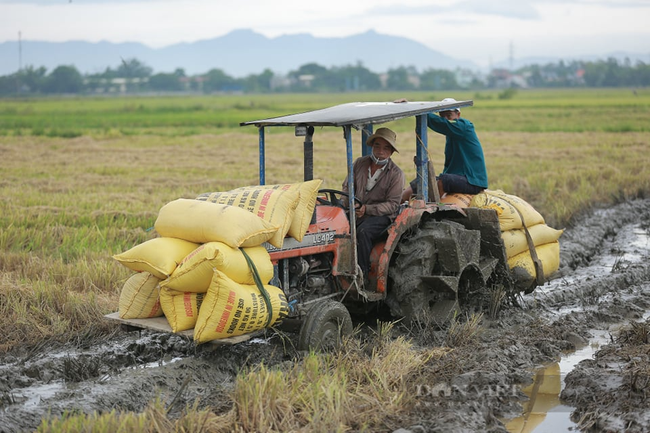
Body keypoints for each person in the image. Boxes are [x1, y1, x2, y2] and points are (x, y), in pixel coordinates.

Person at [342, 127, 405, 282]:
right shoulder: (359, 163)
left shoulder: (396, 174)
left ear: (391, 151)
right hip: (356, 210)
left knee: (363, 232)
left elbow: (392, 205)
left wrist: (367, 209)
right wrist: (350, 204)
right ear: (372, 146)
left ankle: (361, 275)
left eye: (386, 148)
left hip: (381, 216)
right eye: (377, 146)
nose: (380, 151)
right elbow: (346, 186)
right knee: (334, 229)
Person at [400, 97, 488, 201]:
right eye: (442, 116)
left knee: (443, 181)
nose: (445, 119)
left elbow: (441, 124)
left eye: (449, 115)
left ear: (458, 115)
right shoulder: (451, 132)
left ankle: (433, 208)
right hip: (457, 178)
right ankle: (395, 209)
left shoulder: (463, 127)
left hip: (472, 181)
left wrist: (415, 109)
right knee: (419, 183)